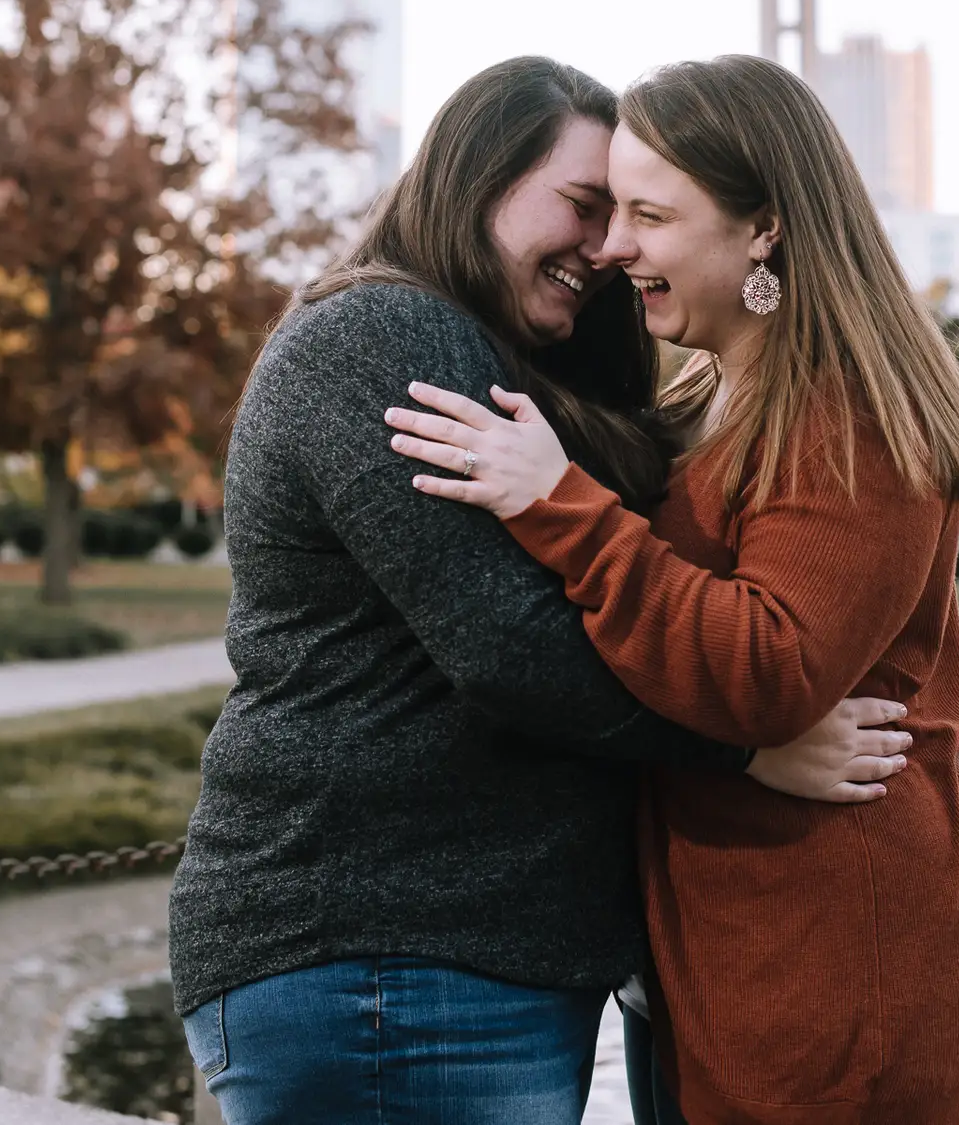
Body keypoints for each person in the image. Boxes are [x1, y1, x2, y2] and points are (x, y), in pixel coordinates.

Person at [170, 56, 911, 1125]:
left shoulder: (504, 360)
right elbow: (514, 649)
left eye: (630, 216)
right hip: (382, 952)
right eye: (584, 204)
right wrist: (749, 745)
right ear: (478, 175)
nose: (606, 248)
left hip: (457, 957)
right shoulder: (382, 338)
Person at [384, 53, 959, 1124]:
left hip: (835, 967)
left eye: (649, 214)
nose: (614, 245)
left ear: (762, 226)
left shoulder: (850, 415)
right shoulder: (713, 401)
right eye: (608, 209)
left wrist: (559, 501)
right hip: (729, 959)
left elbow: (764, 669)